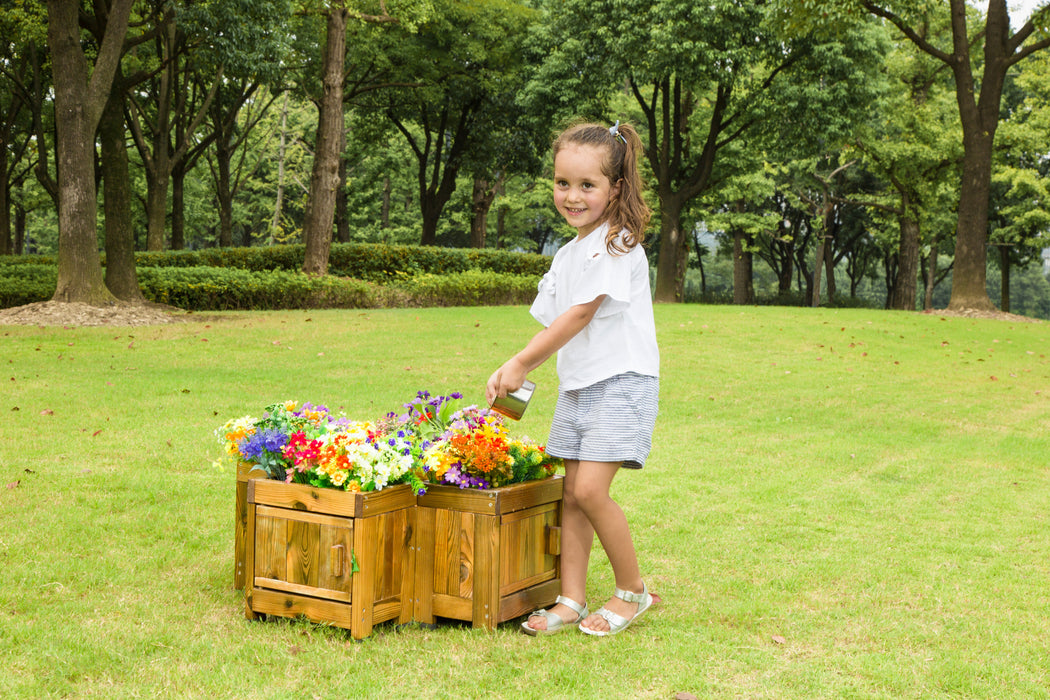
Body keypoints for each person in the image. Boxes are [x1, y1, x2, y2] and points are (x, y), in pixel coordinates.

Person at [485, 120, 659, 637]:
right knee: (570, 494)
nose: (573, 195)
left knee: (590, 490)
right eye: (564, 183)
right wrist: (509, 371)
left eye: (588, 185)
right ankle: (571, 599)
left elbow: (580, 315)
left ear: (616, 188)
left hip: (622, 383)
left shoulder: (618, 242)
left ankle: (632, 592)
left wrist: (520, 363)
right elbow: (554, 323)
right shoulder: (566, 254)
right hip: (581, 385)